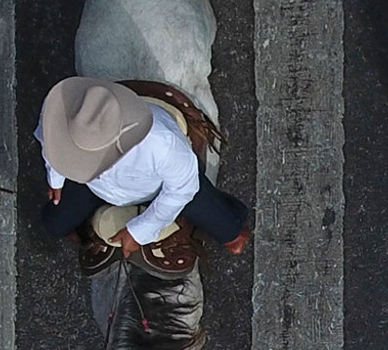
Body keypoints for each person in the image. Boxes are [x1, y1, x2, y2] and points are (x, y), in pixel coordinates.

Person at [35, 77, 250, 256]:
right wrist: (56, 177)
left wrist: (138, 232)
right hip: (93, 184)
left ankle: (229, 213)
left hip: (157, 187)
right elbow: (50, 143)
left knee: (230, 230)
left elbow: (182, 189)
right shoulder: (58, 113)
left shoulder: (162, 143)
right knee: (53, 224)